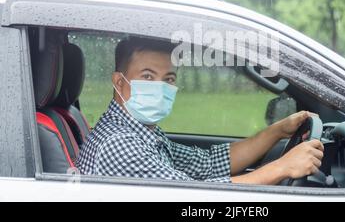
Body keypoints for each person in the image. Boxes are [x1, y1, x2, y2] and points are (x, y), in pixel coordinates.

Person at [76, 36, 324, 184]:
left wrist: (278, 130)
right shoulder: (118, 144)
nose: (161, 87)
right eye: (148, 77)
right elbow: (198, 198)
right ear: (119, 82)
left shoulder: (142, 132)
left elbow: (209, 164)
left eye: (169, 79)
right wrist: (282, 168)